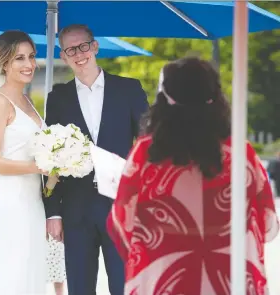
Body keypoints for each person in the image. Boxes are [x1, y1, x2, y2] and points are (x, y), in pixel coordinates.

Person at [106, 56, 280, 295]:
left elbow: (121, 220)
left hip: (164, 270)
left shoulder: (146, 154)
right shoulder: (240, 152)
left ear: (164, 99)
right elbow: (267, 220)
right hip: (228, 273)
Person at [44, 24, 148, 295]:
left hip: (121, 207)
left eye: (83, 46)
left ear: (95, 46)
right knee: (79, 289)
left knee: (124, 287)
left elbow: (149, 145)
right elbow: (49, 157)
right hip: (75, 211)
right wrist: (53, 211)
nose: (79, 54)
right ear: (63, 56)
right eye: (70, 49)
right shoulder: (57, 98)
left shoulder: (129, 89)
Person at [0, 30, 52, 295]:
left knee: (29, 271)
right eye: (20, 58)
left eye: (31, 56)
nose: (29, 64)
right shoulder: (0, 102)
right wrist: (36, 167)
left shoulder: (27, 101)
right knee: (12, 273)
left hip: (32, 200)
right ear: (4, 63)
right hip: (10, 201)